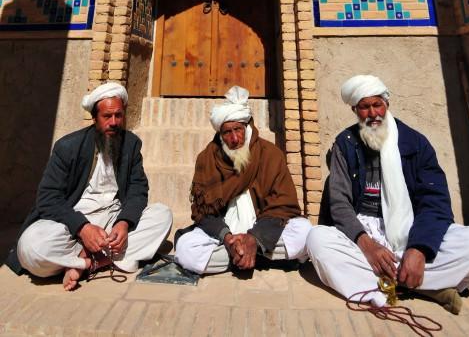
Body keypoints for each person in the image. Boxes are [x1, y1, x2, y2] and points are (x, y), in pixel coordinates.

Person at [307, 74, 469, 313]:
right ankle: (422, 285)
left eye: (377, 104)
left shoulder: (415, 143)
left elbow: (435, 201)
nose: (372, 113)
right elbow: (339, 204)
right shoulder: (345, 144)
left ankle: (385, 282)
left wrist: (418, 249)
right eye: (364, 107)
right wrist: (367, 246)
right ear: (354, 110)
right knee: (317, 239)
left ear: (387, 104)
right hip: (363, 232)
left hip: (410, 229)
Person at [6, 82, 172, 290]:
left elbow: (138, 189)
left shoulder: (131, 144)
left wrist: (124, 222)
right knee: (30, 247)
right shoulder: (68, 147)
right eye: (107, 116)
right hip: (72, 219)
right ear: (94, 118)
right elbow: (47, 198)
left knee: (162, 216)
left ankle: (87, 263)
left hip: (113, 217)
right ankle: (95, 258)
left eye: (118, 115)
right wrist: (82, 228)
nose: (114, 122)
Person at [175, 86, 311, 274]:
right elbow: (202, 212)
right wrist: (228, 238)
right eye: (227, 132)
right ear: (220, 135)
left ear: (247, 127)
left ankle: (248, 252)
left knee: (305, 232)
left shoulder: (270, 154)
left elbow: (282, 206)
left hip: (263, 229)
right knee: (186, 249)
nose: (234, 138)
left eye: (238, 129)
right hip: (224, 235)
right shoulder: (207, 159)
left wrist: (255, 239)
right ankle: (249, 255)